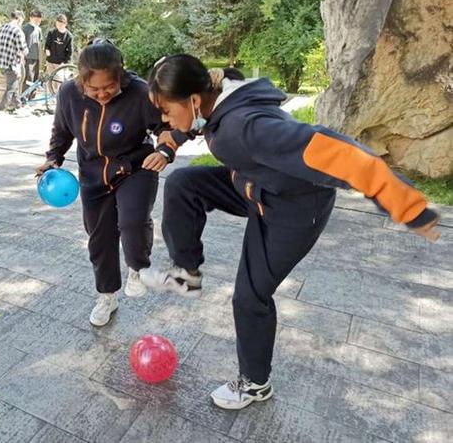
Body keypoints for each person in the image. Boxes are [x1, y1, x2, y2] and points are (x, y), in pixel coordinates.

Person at [142, 54, 441, 410]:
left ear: (192, 99)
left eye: (166, 109)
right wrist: (168, 143)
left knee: (250, 297)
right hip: (257, 188)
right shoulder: (217, 99)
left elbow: (345, 156)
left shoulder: (247, 125)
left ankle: (255, 384)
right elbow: (188, 125)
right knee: (183, 184)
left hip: (294, 210)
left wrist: (408, 207)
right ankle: (186, 274)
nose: (163, 118)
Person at [35, 39, 179, 327]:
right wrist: (53, 159)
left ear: (121, 77)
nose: (102, 94)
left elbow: (167, 126)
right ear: (81, 82)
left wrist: (166, 150)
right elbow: (62, 132)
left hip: (136, 167)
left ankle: (137, 267)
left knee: (132, 221)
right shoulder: (68, 94)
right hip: (93, 174)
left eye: (108, 87)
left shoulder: (140, 93)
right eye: (94, 89)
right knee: (99, 240)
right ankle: (107, 296)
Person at [0, 10, 27, 113]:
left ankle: (18, 106)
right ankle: (1, 109)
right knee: (11, 87)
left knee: (14, 84)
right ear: (19, 18)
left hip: (0, 62)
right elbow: (23, 49)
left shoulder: (1, 28)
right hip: (11, 64)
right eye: (22, 20)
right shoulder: (17, 31)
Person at [44, 14, 73, 93]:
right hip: (50, 61)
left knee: (59, 81)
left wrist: (66, 63)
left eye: (61, 24)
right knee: (50, 80)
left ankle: (58, 97)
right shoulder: (51, 32)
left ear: (65, 24)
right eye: (57, 24)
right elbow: (47, 45)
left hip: (61, 63)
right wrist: (46, 50)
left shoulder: (69, 36)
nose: (59, 26)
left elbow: (70, 51)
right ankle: (51, 97)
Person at [22, 9, 43, 93]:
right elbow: (21, 43)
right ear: (31, 18)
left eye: (39, 19)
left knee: (35, 79)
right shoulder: (25, 28)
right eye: (36, 19)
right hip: (28, 57)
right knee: (28, 78)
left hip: (36, 58)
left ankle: (32, 97)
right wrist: (22, 58)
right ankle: (25, 98)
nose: (38, 21)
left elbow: (39, 44)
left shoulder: (38, 30)